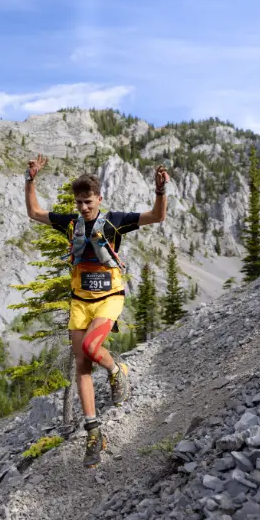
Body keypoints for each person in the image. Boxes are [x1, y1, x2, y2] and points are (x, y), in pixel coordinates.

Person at [24, 154, 170, 466]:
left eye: (88, 201)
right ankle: (94, 433)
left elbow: (157, 217)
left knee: (92, 347)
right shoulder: (71, 223)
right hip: (80, 301)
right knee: (82, 366)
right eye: (79, 202)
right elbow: (34, 212)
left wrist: (160, 191)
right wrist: (30, 180)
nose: (83, 207)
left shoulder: (116, 221)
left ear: (99, 198)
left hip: (109, 297)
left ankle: (118, 372)